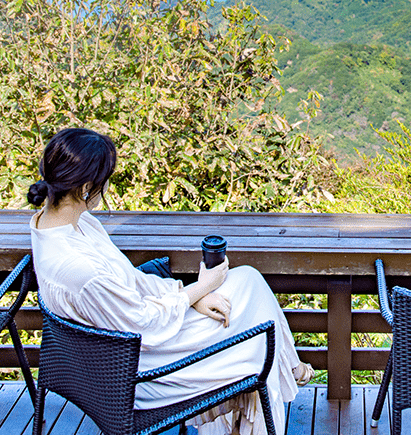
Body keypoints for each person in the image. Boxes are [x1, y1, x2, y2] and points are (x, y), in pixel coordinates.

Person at [27, 128, 313, 435]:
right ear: (85, 186)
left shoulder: (62, 225)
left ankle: (288, 365)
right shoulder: (79, 268)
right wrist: (201, 287)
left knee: (248, 280)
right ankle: (288, 366)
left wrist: (193, 296)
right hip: (138, 374)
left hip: (116, 352)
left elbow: (132, 282)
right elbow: (142, 321)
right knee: (257, 340)